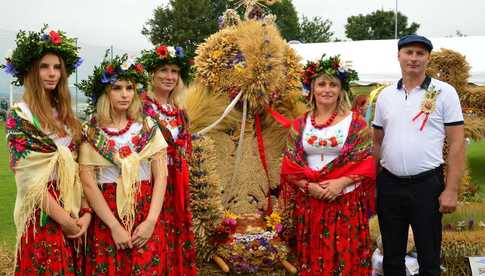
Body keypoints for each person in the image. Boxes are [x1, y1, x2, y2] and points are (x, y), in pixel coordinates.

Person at [372, 34, 465, 276]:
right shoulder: (385, 96)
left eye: (420, 54)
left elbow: (456, 143)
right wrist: (372, 185)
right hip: (390, 185)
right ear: (399, 56)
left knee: (429, 259)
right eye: (409, 52)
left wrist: (451, 189)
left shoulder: (445, 92)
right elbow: (377, 141)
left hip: (427, 185)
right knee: (392, 259)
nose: (413, 58)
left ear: (428, 58)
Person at [2, 26, 89, 274]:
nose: (52, 73)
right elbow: (29, 179)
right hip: (42, 210)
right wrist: (65, 221)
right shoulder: (20, 115)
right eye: (44, 66)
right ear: (31, 71)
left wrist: (84, 213)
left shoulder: (67, 117)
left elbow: (79, 166)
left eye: (57, 67)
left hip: (71, 203)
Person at [280, 55, 376, 275]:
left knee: (346, 257)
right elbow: (290, 165)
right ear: (312, 89)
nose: (327, 89)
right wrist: (308, 186)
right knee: (313, 258)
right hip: (310, 203)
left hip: (345, 202)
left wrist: (340, 183)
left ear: (341, 89)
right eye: (321, 84)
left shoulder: (356, 123)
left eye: (333, 84)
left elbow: (366, 161)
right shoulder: (300, 124)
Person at [77, 53, 168, 275]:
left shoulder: (147, 127)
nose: (125, 94)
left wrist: (150, 221)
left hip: (145, 207)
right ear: (105, 93)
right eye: (117, 88)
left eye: (129, 88)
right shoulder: (92, 132)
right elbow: (88, 183)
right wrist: (115, 226)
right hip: (108, 211)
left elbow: (161, 176)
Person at [137, 44, 197, 275]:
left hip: (177, 183)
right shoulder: (141, 107)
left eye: (174, 71)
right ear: (152, 74)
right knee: (154, 238)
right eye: (163, 70)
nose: (169, 76)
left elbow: (187, 147)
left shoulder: (180, 110)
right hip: (151, 183)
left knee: (177, 234)